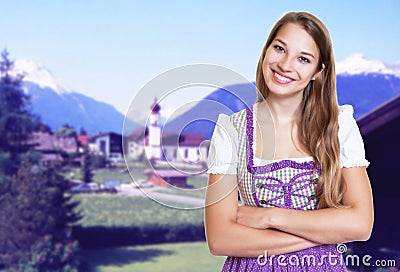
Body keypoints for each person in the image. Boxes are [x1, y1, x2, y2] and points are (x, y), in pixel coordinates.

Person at [205, 11, 373, 271]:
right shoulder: (231, 130)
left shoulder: (339, 127)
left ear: (319, 71)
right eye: (280, 48)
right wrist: (323, 233)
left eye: (303, 59)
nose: (285, 65)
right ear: (266, 50)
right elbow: (220, 238)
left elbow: (361, 225)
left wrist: (269, 217)